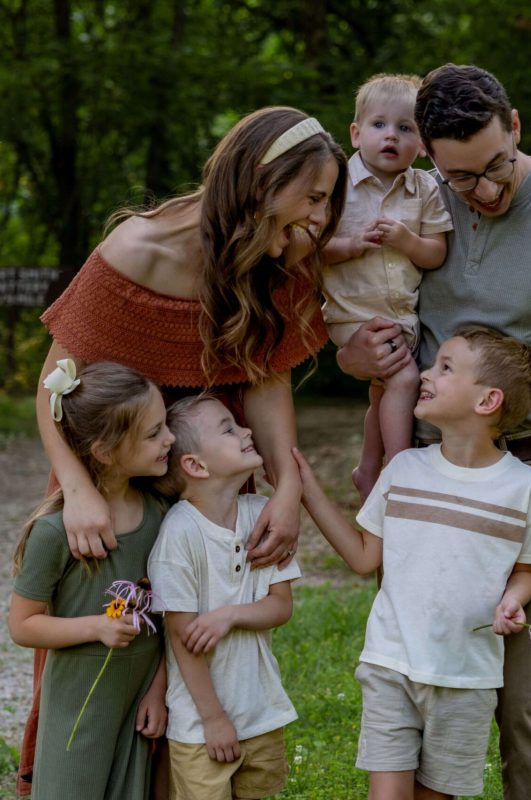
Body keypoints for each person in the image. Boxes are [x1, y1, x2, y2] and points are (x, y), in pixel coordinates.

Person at [18, 106, 346, 796]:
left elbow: (266, 388)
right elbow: (53, 390)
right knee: (108, 656)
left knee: (197, 655)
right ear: (262, 181)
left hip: (206, 486)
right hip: (113, 480)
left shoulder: (276, 262)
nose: (320, 220)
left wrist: (284, 490)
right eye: (312, 198)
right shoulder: (135, 253)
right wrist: (78, 490)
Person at [337, 63, 531, 799]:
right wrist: (352, 356)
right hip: (431, 475)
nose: (487, 192)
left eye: (496, 167)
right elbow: (371, 318)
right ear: (431, 159)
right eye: (462, 178)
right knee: (425, 671)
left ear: (516, 127)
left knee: (529, 700)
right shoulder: (419, 202)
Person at [294, 327, 531, 799]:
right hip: (390, 663)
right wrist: (307, 489)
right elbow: (362, 557)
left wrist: (514, 602)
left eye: (446, 368)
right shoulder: (405, 469)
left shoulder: (525, 488)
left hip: (467, 680)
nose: (426, 374)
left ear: (487, 401)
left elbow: (525, 571)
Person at [8, 360, 173, 800]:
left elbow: (170, 621)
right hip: (77, 710)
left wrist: (157, 691)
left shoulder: (163, 517)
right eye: (154, 433)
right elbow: (23, 625)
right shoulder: (54, 532)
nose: (170, 440)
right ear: (104, 451)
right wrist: (95, 627)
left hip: (137, 706)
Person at [148, 394, 300, 800]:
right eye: (228, 428)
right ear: (196, 466)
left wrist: (228, 615)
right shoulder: (179, 536)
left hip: (261, 712)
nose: (247, 430)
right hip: (201, 725)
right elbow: (183, 639)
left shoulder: (262, 514)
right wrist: (214, 719)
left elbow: (281, 606)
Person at [322, 73, 452, 500]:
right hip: (352, 313)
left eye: (405, 127)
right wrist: (351, 245)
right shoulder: (336, 185)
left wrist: (407, 241)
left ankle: (367, 468)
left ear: (423, 144)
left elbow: (436, 253)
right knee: (402, 379)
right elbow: (312, 248)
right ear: (356, 134)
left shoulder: (425, 188)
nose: (391, 136)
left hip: (401, 313)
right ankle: (399, 470)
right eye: (379, 125)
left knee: (383, 390)